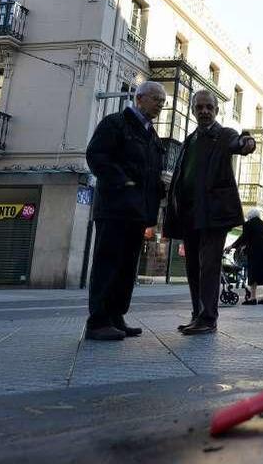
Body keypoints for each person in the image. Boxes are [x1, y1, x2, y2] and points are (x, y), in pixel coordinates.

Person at [163, 90, 256, 335]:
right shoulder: (190, 140)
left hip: (214, 214)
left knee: (209, 265)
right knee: (193, 266)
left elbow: (241, 144)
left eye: (209, 107)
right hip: (189, 213)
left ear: (216, 110)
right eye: (199, 107)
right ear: (193, 110)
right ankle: (198, 314)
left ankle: (208, 318)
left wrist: (248, 143)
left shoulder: (224, 135)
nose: (204, 111)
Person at [84, 81, 167, 341]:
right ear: (139, 98)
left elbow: (152, 173)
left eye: (163, 102)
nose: (160, 105)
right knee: (108, 263)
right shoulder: (115, 123)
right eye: (156, 99)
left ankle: (116, 315)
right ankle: (98, 321)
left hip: (138, 213)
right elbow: (96, 156)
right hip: (115, 209)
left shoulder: (152, 135)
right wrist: (124, 183)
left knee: (127, 267)